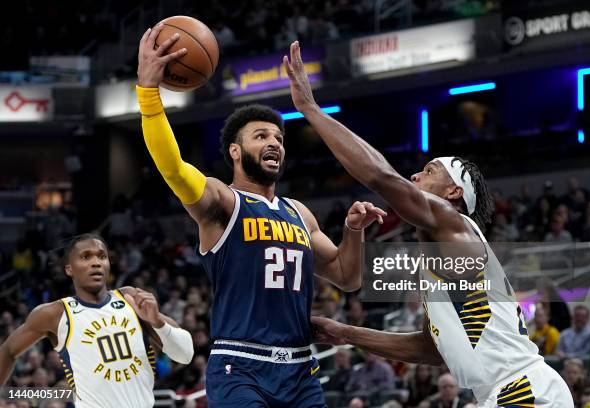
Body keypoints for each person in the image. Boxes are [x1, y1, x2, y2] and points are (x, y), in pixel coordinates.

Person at [283, 41, 574, 407]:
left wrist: (310, 109)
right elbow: (431, 349)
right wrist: (345, 332)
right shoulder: (442, 258)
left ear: (453, 192)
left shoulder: (455, 225)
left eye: (429, 170)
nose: (416, 175)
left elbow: (380, 176)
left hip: (523, 390)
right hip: (508, 392)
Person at [136, 24, 386, 408]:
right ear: (235, 151)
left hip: (301, 369)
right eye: (261, 137)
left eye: (279, 138)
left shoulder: (299, 213)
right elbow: (172, 168)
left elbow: (347, 277)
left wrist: (353, 231)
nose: (274, 143)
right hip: (241, 365)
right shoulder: (223, 202)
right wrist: (148, 93)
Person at [0, 234, 194, 407]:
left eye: (102, 256)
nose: (96, 262)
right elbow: (8, 350)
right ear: (69, 269)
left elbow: (185, 355)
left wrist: (157, 320)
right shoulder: (55, 313)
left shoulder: (130, 299)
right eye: (86, 257)